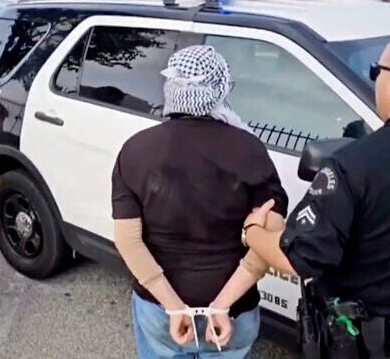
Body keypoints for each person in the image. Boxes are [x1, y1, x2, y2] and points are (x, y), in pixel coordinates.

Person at [244, 28, 390, 357]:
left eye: (376, 71)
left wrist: (252, 232)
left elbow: (299, 258)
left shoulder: (357, 164)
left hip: (381, 346)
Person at [112, 45, 289, 358]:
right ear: (221, 88)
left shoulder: (135, 150)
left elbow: (128, 241)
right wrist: (221, 306)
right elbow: (270, 239)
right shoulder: (250, 150)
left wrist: (174, 307)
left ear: (171, 87)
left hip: (159, 310)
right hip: (234, 312)